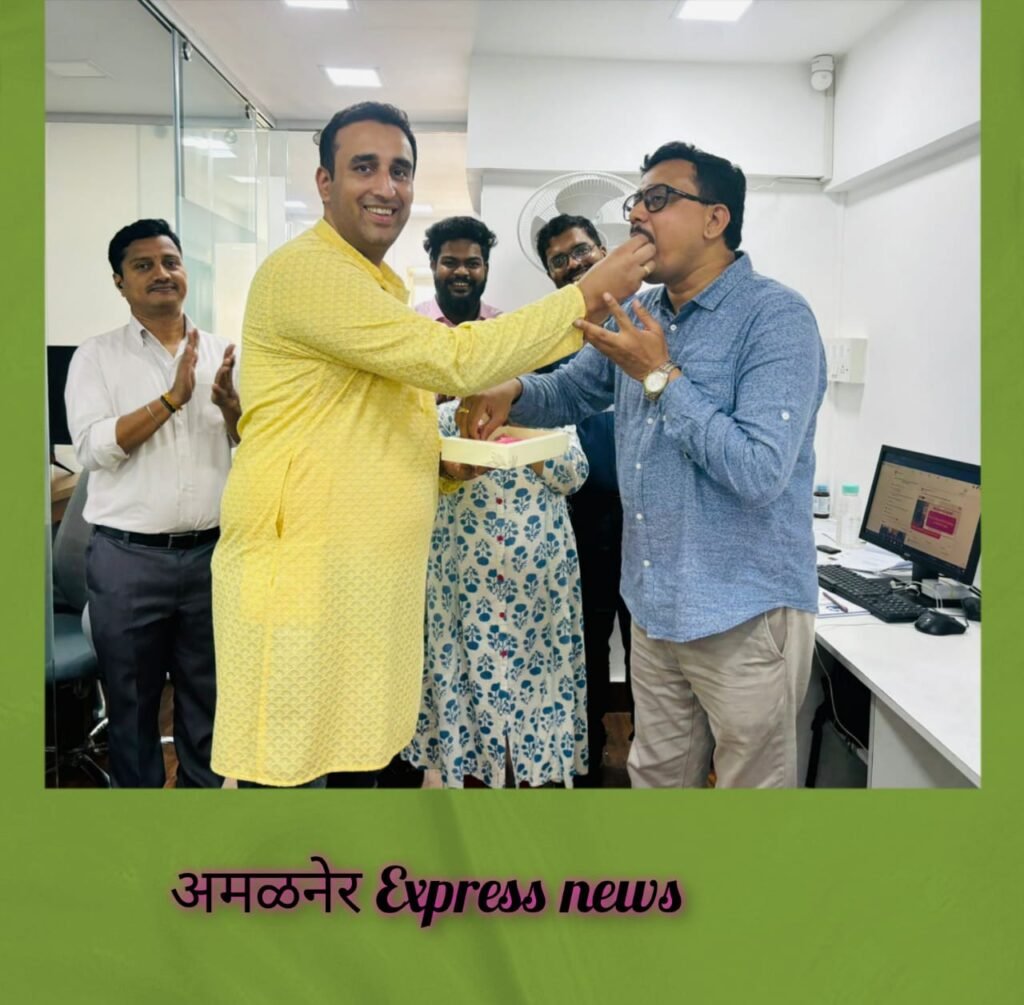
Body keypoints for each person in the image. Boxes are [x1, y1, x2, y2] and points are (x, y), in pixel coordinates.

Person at [209, 102, 655, 788]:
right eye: (364, 167)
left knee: (358, 770)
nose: (386, 186)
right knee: (288, 786)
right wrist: (586, 295)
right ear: (324, 182)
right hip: (304, 579)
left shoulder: (373, 286)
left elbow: (378, 414)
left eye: (400, 170)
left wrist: (441, 464)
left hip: (365, 580)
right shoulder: (307, 272)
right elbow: (454, 360)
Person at [462, 141, 827, 789]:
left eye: (658, 199)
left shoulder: (776, 318)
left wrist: (658, 375)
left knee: (751, 796)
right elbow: (573, 389)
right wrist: (511, 391)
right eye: (636, 201)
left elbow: (759, 470)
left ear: (715, 219)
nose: (636, 215)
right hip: (655, 608)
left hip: (744, 614)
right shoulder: (640, 310)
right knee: (656, 778)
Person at [65, 218, 240, 788]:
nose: (161, 273)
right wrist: (170, 400)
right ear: (120, 282)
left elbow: (252, 446)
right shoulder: (96, 357)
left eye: (171, 262)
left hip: (212, 557)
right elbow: (93, 448)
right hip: (128, 561)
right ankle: (140, 831)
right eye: (143, 265)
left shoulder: (223, 352)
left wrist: (233, 412)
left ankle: (200, 824)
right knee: (132, 710)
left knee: (209, 707)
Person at [534, 214, 633, 788]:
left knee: (651, 650)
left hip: (650, 520)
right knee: (588, 647)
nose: (573, 263)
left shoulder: (646, 318)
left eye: (581, 250)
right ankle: (589, 761)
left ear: (602, 249)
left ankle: (656, 765)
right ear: (550, 274)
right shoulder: (549, 342)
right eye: (559, 260)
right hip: (583, 521)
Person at [416, 215, 501, 326]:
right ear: (433, 266)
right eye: (449, 263)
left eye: (473, 264)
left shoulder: (503, 327)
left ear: (486, 269)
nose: (461, 272)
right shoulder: (412, 323)